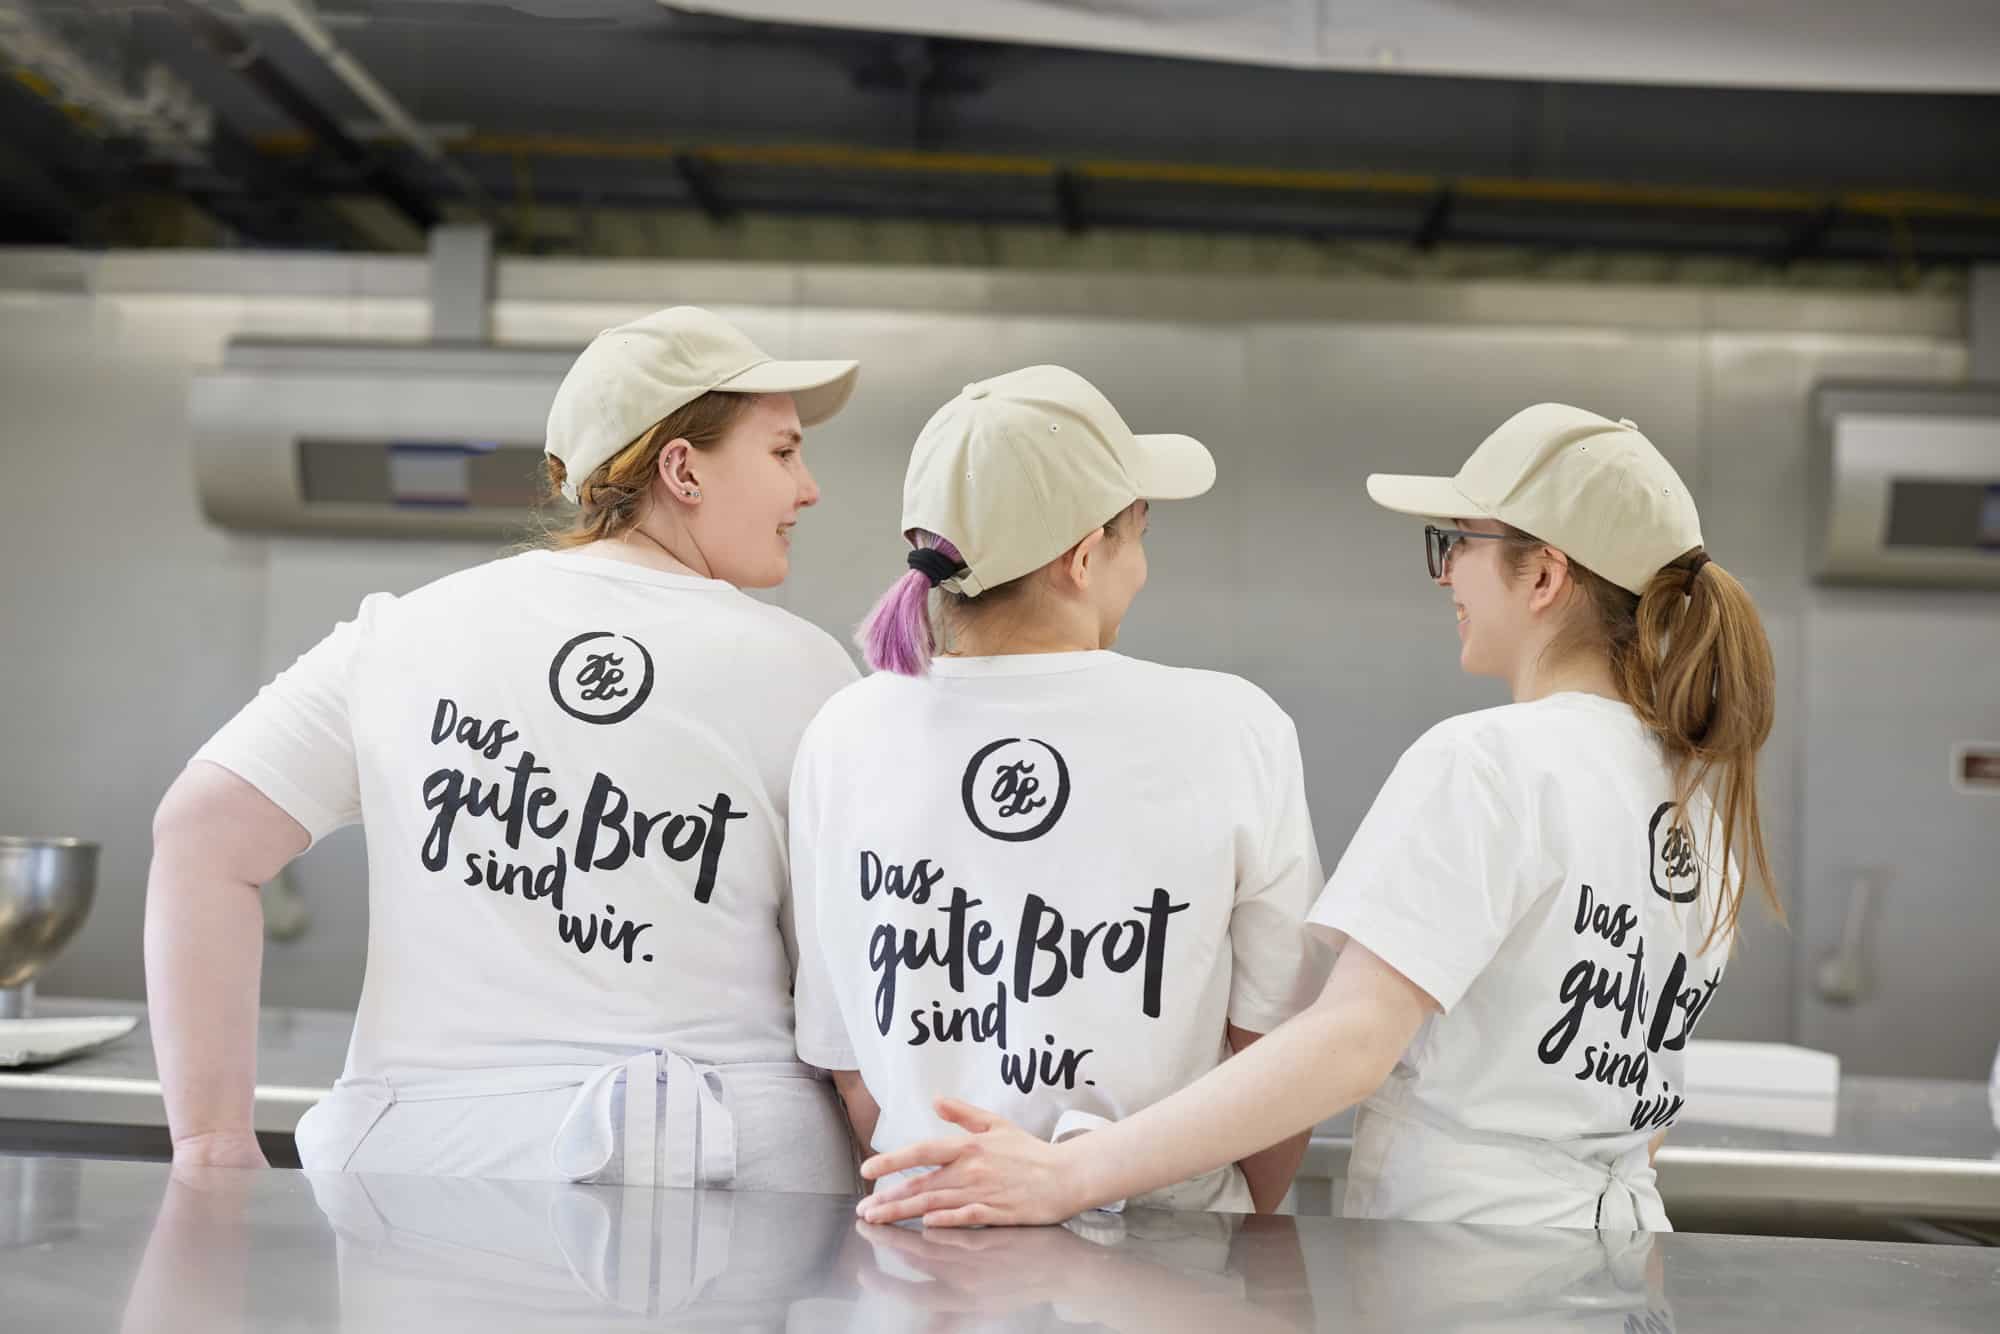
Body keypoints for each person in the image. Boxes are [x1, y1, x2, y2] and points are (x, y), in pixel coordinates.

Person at [857, 403, 1778, 1229]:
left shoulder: (1489, 763)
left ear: (1543, 575)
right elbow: (1636, 1096)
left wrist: (1070, 1174)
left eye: (1457, 543)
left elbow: (1351, 1043)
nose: (1445, 575)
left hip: (1464, 1260)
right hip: (1619, 1248)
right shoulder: (1700, 798)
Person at [146, 305, 867, 1191]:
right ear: (682, 469)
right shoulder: (804, 669)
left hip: (427, 1180)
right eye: (784, 453)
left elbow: (199, 834)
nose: (808, 489)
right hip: (732, 1187)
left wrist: (210, 1142)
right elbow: (846, 995)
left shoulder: (401, 636)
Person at [789, 366, 1325, 1215]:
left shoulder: (846, 730)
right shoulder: (1233, 726)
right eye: (1137, 534)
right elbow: (1280, 1040)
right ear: (1082, 558)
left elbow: (849, 1063)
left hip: (924, 1241)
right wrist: (1220, 1223)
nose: (1140, 567)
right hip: (1172, 1249)